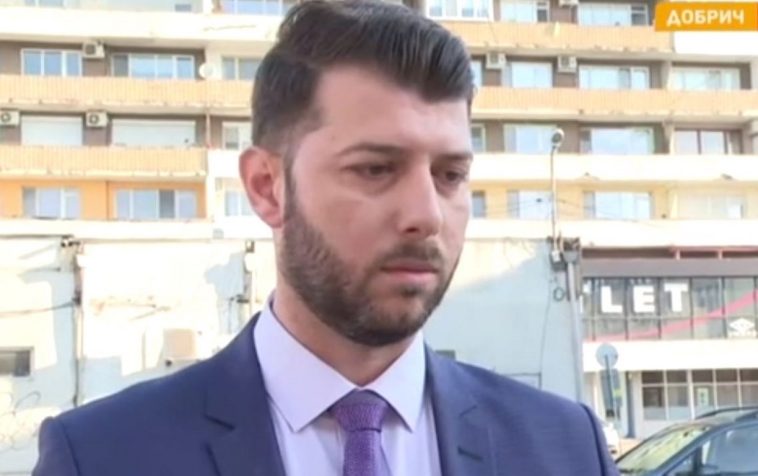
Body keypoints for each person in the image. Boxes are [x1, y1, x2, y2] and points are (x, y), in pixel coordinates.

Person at [33, 1, 619, 475]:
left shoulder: (565, 448)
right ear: (267, 187)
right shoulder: (104, 457)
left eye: (450, 175)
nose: (426, 215)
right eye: (375, 169)